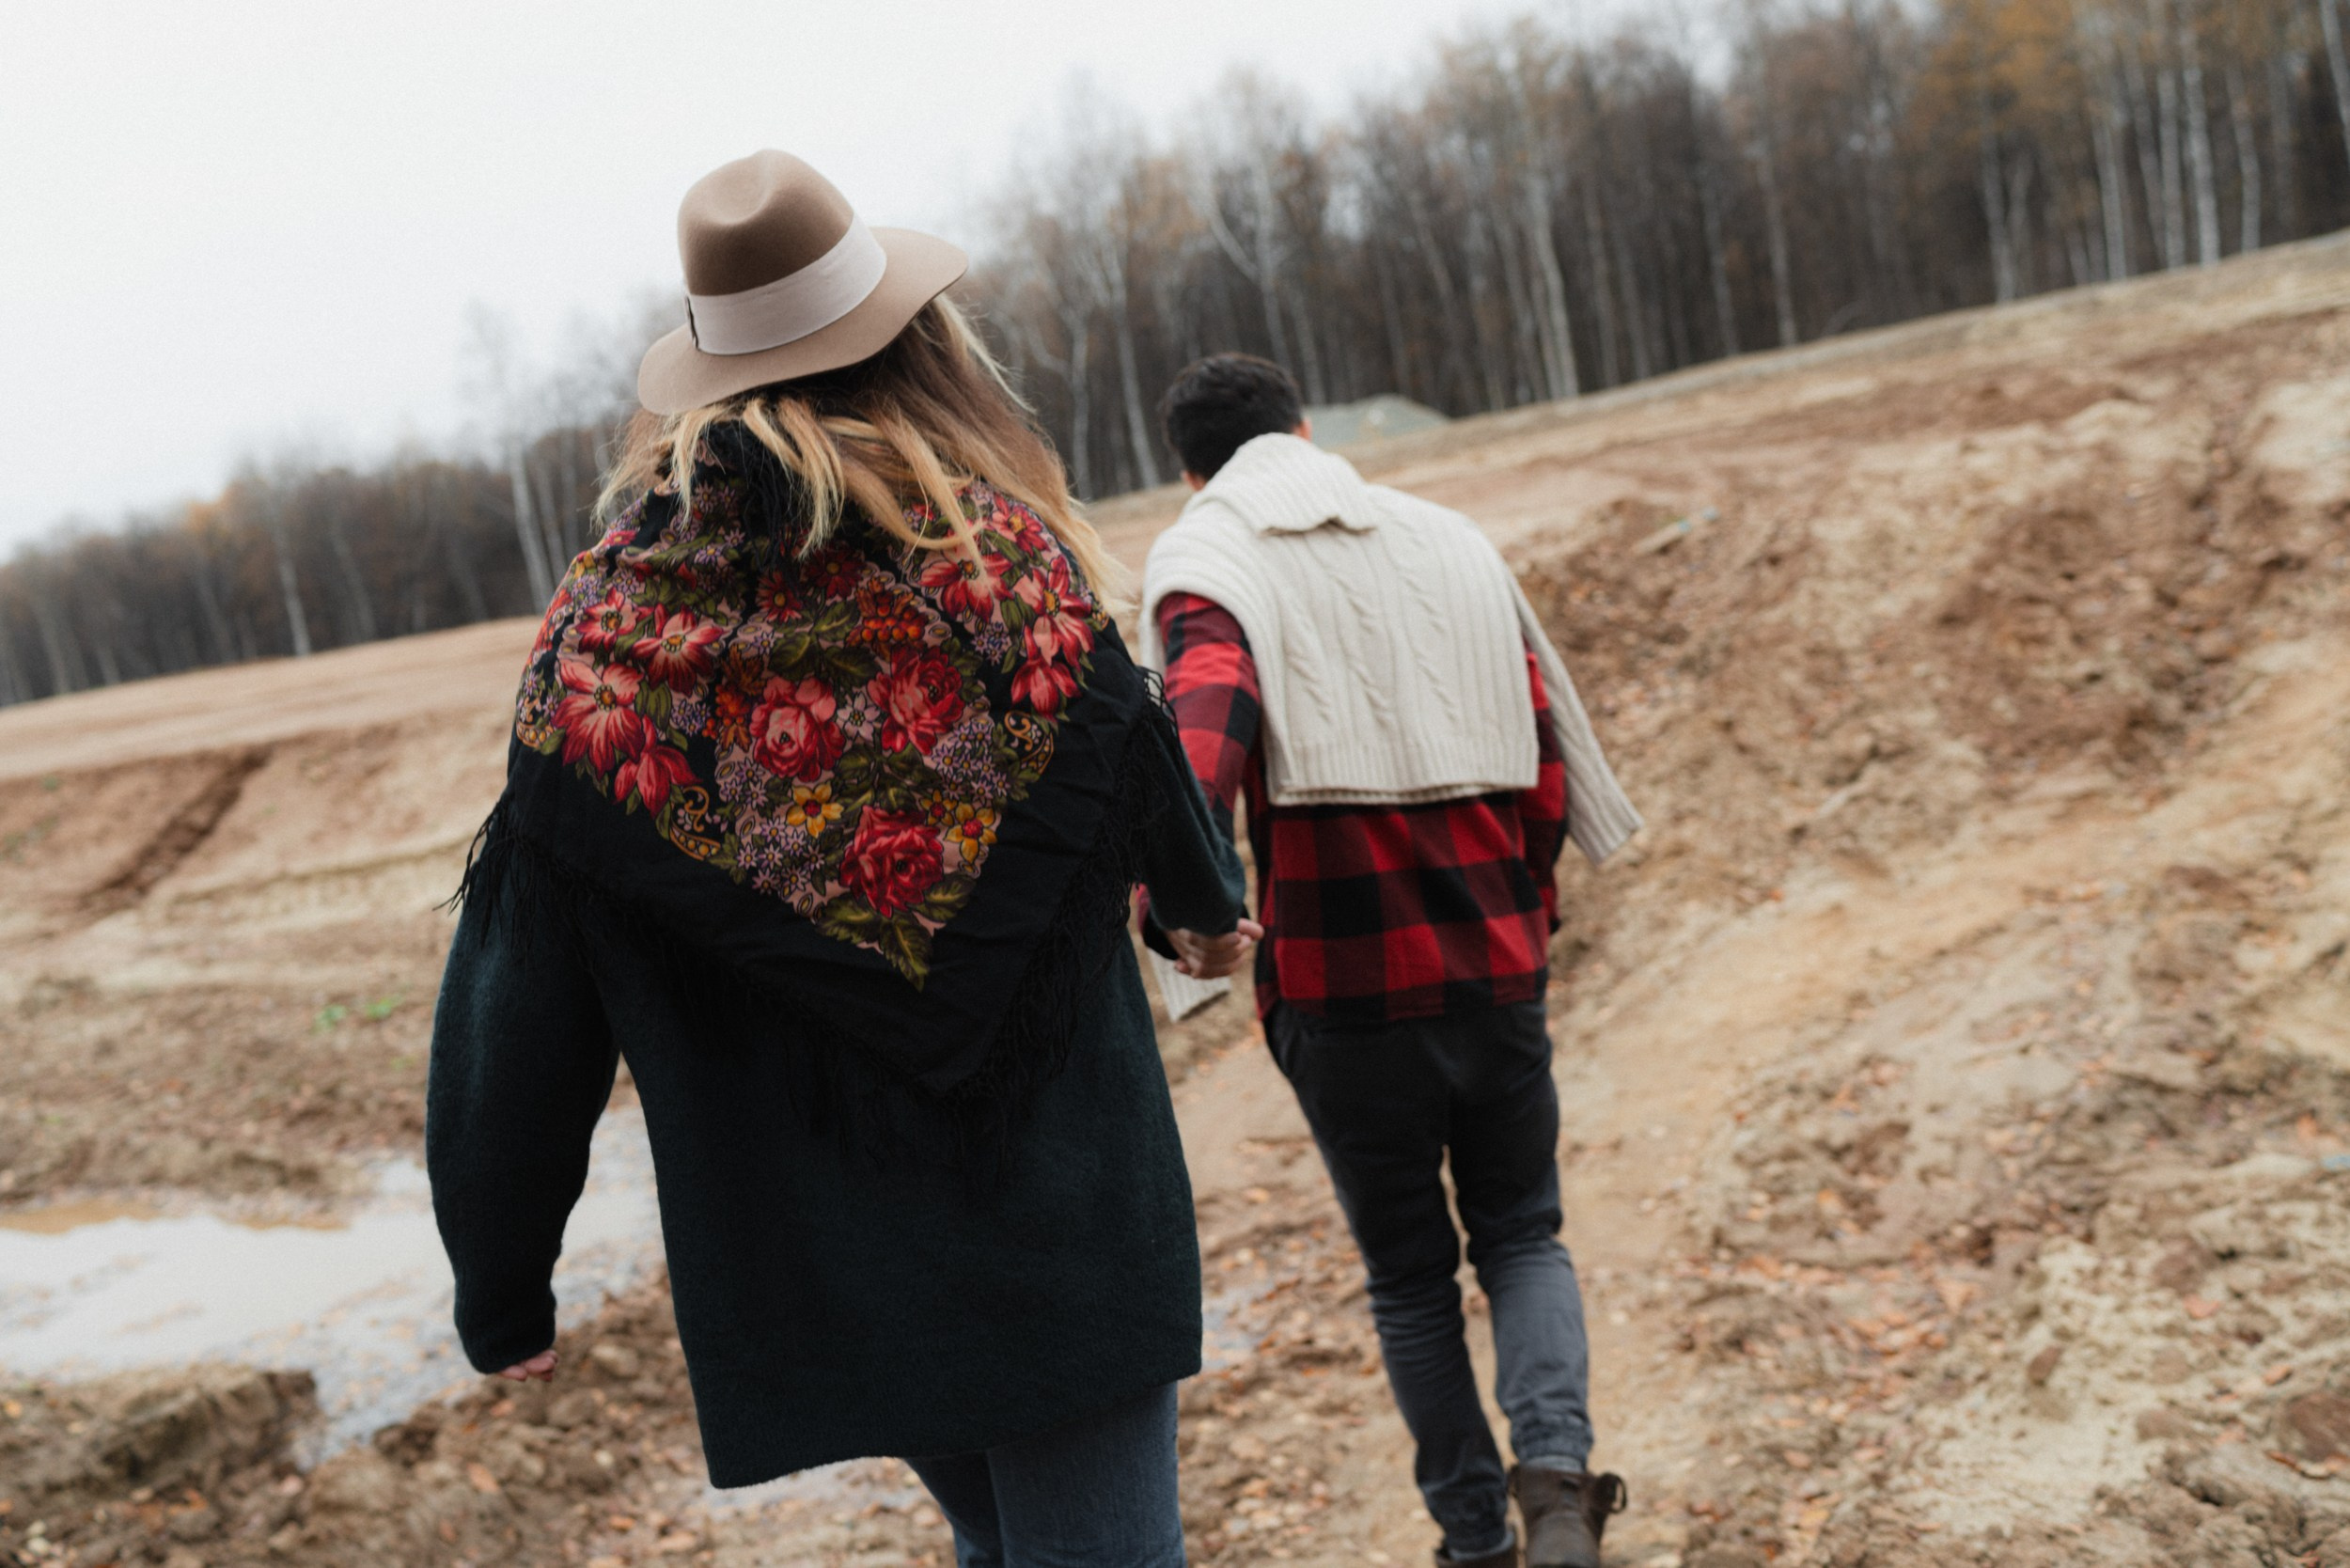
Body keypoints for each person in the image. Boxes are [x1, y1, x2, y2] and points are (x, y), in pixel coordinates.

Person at [427, 150, 1256, 1568]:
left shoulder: (605, 650)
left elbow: (513, 998)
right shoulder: (1008, 571)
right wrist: (1203, 914)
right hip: (1065, 1231)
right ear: (924, 347)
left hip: (821, 1257)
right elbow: (1158, 804)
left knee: (1008, 1543)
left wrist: (504, 1285)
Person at [1139, 355, 1643, 1568]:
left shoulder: (1210, 560)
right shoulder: (1450, 540)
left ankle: (1474, 1542)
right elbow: (1542, 753)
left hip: (1343, 992)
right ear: (1309, 431)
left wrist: (1179, 899)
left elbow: (1202, 721)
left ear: (1192, 470)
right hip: (1494, 961)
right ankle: (1563, 1495)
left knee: (1412, 1283)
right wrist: (1525, 908)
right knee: (1524, 1236)